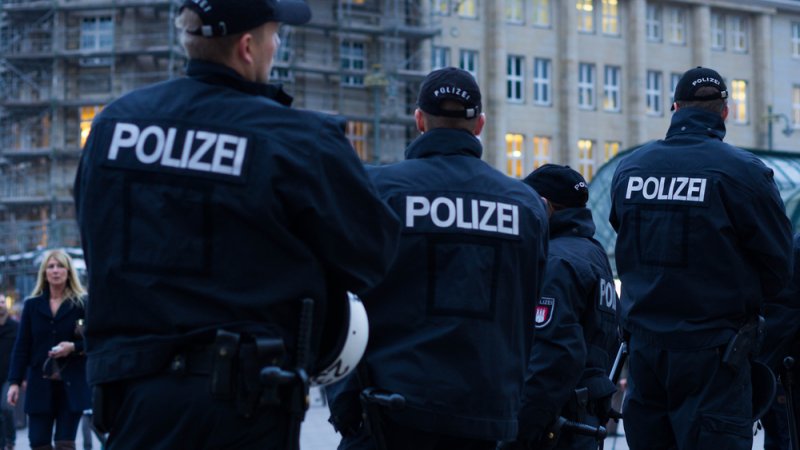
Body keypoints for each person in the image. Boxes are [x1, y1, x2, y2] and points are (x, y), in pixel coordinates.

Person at [73, 1, 401, 449]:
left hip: (133, 402)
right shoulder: (297, 139)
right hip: (245, 405)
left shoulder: (113, 125)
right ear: (247, 47)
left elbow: (96, 238)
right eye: (275, 35)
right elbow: (372, 254)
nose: (277, 45)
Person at [326, 67, 550, 450]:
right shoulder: (525, 206)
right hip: (483, 416)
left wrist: (342, 401)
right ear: (479, 125)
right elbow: (528, 307)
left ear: (419, 120)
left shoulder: (378, 189)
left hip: (388, 411)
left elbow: (340, 297)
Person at [609, 66, 794, 449]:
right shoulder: (744, 173)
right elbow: (778, 268)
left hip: (645, 354)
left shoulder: (630, 169)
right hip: (714, 357)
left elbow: (622, 237)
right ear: (724, 112)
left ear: (675, 108)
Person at [508, 165, 619, 449]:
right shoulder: (593, 254)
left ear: (543, 205)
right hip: (583, 419)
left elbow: (551, 356)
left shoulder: (555, 261)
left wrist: (518, 433)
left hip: (554, 426)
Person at [6, 249, 90, 450]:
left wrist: (73, 347)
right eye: (50, 266)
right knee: (38, 442)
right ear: (44, 273)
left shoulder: (81, 304)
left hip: (71, 385)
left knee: (64, 443)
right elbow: (22, 346)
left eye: (60, 266)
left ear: (69, 272)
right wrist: (14, 382)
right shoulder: (32, 305)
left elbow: (96, 340)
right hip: (39, 385)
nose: (55, 270)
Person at [0, 298, 19, 450]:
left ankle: (10, 441)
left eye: (1, 302)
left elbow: (22, 351)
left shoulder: (15, 327)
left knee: (6, 408)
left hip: (9, 376)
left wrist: (22, 376)